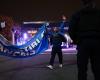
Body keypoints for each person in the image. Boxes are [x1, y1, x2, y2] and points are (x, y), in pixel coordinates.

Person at [68, 0, 100, 80]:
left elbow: (71, 30)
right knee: (98, 69)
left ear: (83, 4)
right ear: (93, 3)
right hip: (97, 43)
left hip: (83, 43)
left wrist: (77, 41)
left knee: (82, 70)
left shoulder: (77, 15)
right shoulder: (98, 14)